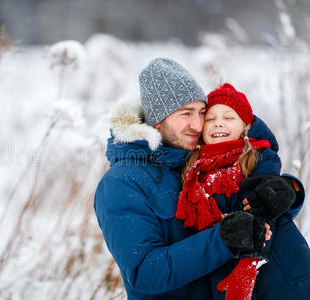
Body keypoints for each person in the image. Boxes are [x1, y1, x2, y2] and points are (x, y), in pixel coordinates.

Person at [94, 58, 305, 299]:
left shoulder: (200, 158)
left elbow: (253, 200)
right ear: (158, 121)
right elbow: (145, 272)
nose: (197, 124)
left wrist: (288, 192)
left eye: (202, 112)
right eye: (186, 113)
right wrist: (223, 239)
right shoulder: (121, 183)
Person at [176, 83, 310, 299]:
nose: (218, 123)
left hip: (281, 271)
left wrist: (248, 263)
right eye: (210, 119)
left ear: (245, 127)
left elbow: (263, 211)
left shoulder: (258, 156)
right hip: (224, 271)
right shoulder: (193, 169)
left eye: (229, 118)